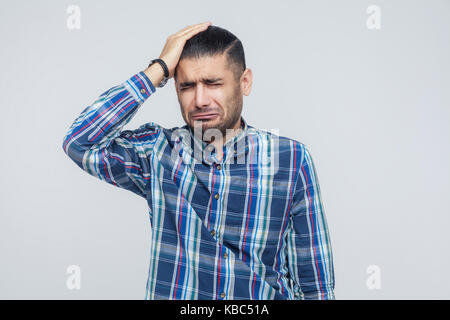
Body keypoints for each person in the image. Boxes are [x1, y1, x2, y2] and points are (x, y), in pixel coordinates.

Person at [62, 22, 335, 300]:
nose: (200, 100)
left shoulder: (289, 160)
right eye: (187, 86)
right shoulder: (157, 151)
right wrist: (158, 69)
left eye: (213, 83)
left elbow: (315, 287)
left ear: (245, 82)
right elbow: (80, 142)